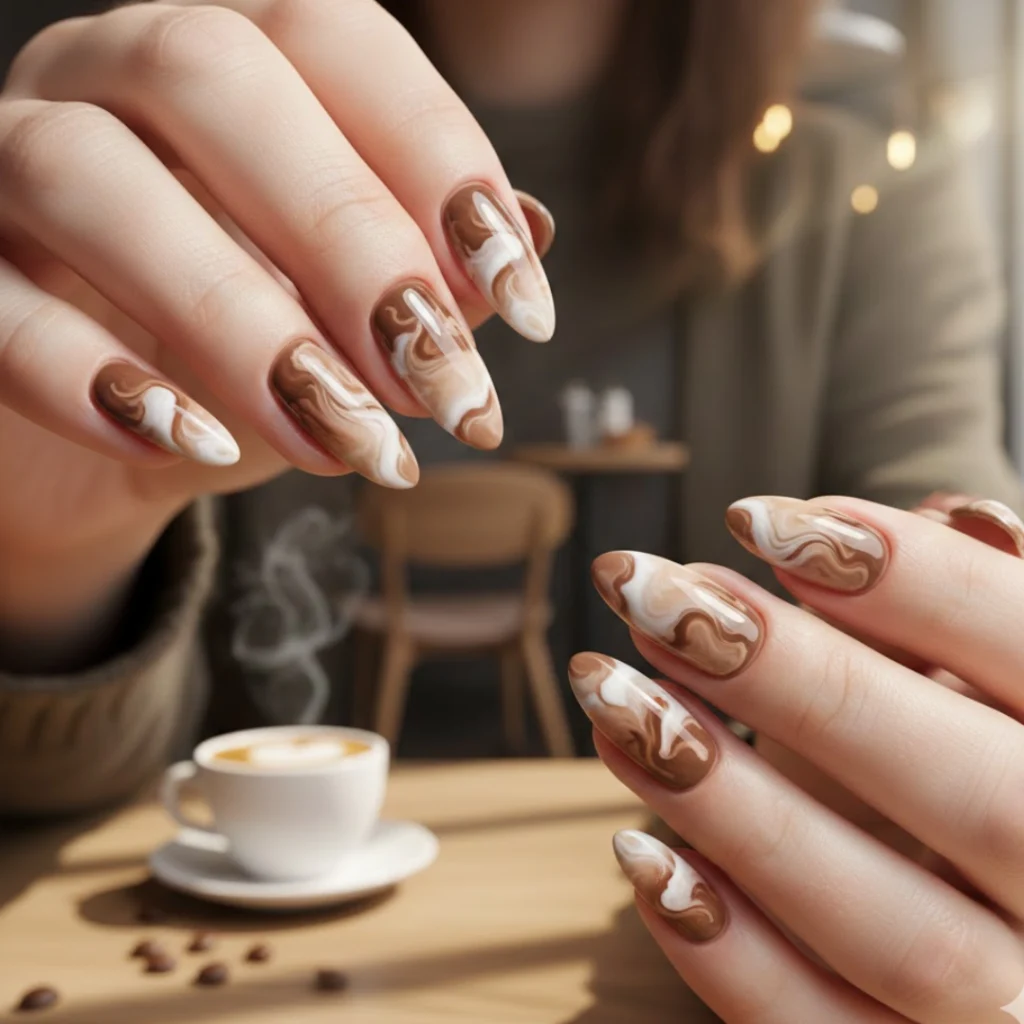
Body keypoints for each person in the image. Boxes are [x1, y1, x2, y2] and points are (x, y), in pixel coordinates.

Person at [0, 1, 1022, 1020]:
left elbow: (950, 630)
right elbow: (63, 825)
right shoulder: (139, 140)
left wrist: (961, 762)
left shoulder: (858, 167)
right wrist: (38, 556)